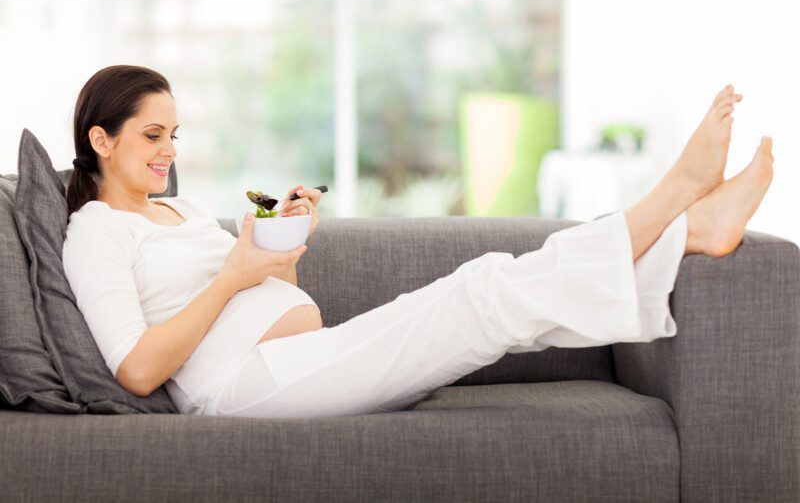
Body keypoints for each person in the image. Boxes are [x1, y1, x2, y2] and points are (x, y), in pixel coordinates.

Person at [62, 65, 773, 419]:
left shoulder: (181, 211)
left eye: (174, 135)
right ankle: (676, 207)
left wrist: (279, 260)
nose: (167, 151)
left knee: (493, 295)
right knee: (485, 294)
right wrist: (236, 277)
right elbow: (136, 371)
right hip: (243, 391)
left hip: (298, 362)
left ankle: (685, 228)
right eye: (152, 136)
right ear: (101, 138)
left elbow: (260, 298)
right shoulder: (95, 232)